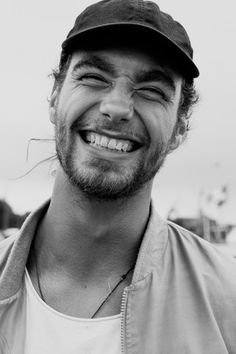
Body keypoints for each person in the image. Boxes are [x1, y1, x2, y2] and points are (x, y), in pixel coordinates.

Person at [1, 0, 236, 353]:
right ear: (54, 96)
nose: (116, 108)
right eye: (94, 77)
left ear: (179, 127)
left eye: (152, 91)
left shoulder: (228, 299)